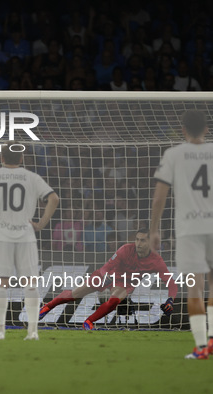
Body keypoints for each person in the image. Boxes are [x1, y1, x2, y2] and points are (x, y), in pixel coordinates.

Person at [0, 147, 59, 340]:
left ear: (1, 157)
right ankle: (33, 331)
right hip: (26, 234)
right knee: (31, 286)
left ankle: (0, 331)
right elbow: (54, 198)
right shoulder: (32, 177)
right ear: (22, 157)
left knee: (0, 285)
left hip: (1, 234)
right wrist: (40, 224)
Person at [150, 110, 213, 359]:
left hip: (189, 230)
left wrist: (155, 229)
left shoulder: (173, 154)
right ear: (207, 129)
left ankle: (200, 347)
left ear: (183, 130)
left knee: (194, 290)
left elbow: (159, 197)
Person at [40, 229, 177, 328]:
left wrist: (170, 300)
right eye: (137, 239)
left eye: (142, 240)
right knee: (74, 295)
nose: (138, 243)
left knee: (115, 299)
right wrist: (106, 277)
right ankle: (47, 307)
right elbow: (107, 266)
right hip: (108, 274)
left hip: (125, 283)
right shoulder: (125, 249)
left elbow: (171, 282)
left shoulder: (156, 261)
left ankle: (88, 322)